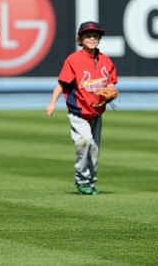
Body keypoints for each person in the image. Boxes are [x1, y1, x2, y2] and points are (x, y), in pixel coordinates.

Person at [46, 21, 118, 195]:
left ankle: (90, 182)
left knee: (94, 149)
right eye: (87, 36)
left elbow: (111, 84)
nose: (92, 39)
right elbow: (62, 83)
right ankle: (81, 179)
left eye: (95, 36)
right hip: (78, 111)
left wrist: (111, 92)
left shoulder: (105, 60)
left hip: (96, 113)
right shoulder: (74, 60)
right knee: (85, 142)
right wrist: (52, 102)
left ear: (99, 39)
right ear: (80, 39)